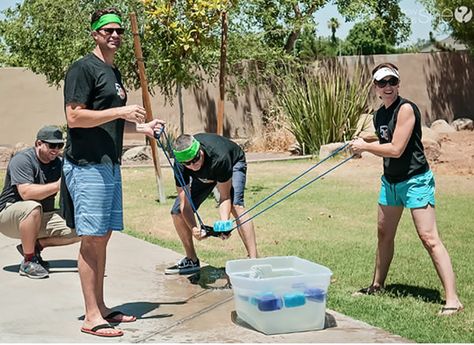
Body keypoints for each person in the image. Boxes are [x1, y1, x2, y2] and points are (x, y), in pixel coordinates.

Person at [62, 7, 163, 337]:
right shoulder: (82, 69)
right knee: (91, 239)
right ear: (94, 33)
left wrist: (143, 128)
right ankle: (91, 317)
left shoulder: (113, 72)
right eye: (108, 30)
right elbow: (75, 117)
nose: (115, 35)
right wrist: (121, 110)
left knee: (102, 238)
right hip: (86, 165)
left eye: (119, 30)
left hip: (108, 164)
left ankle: (101, 307)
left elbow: (110, 121)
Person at [349, 63, 463, 316]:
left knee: (429, 238)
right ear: (375, 87)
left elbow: (396, 148)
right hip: (390, 181)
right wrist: (365, 140)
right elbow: (386, 138)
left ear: (398, 84)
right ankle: (377, 285)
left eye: (392, 82)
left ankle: (453, 300)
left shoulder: (406, 109)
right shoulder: (380, 114)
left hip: (415, 180)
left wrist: (364, 148)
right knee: (383, 234)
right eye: (382, 83)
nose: (387, 87)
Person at [165, 133, 258, 275]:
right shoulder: (181, 165)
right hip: (205, 176)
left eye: (195, 159)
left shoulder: (219, 156)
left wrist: (224, 223)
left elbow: (225, 196)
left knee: (236, 205)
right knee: (176, 212)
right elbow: (185, 204)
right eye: (187, 163)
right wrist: (194, 228)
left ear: (200, 150)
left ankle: (254, 262)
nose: (193, 165)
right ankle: (192, 259)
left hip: (232, 163)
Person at [0, 126, 79, 279]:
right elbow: (26, 193)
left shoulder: (60, 164)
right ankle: (28, 262)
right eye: (51, 145)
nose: (56, 149)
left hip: (40, 216)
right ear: (38, 144)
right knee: (32, 206)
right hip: (8, 216)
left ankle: (34, 247)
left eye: (59, 145)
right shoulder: (22, 160)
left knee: (82, 227)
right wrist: (58, 184)